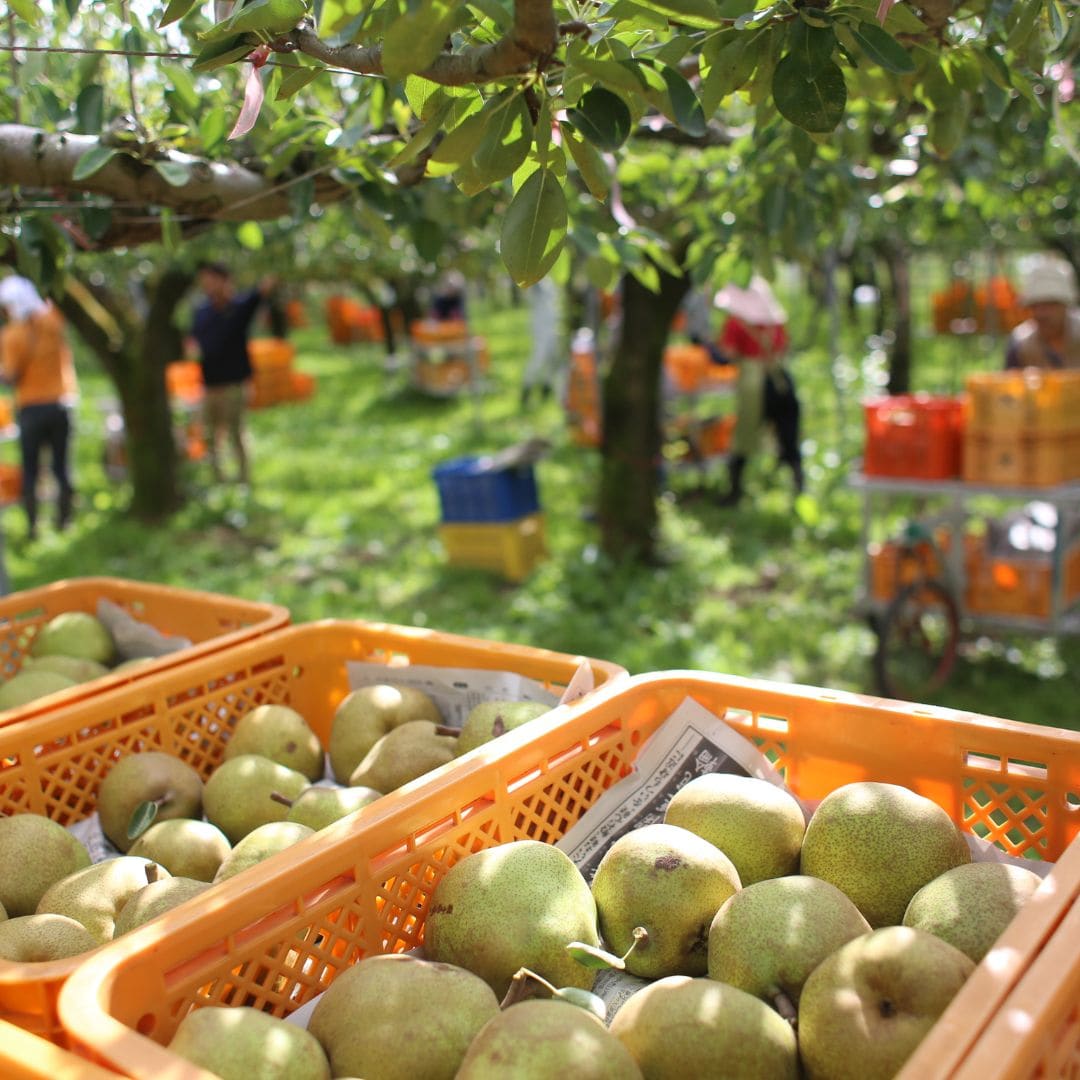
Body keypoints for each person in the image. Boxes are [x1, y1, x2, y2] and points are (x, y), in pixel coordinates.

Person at [712, 276, 803, 506]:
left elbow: (728, 353)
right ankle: (799, 488)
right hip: (782, 380)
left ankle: (735, 492)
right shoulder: (776, 324)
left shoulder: (736, 323)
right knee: (787, 434)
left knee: (743, 437)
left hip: (755, 385)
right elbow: (785, 347)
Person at [0, 276, 78, 541]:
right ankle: (65, 521)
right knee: (62, 465)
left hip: (31, 407)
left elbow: (10, 375)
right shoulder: (53, 320)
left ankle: (33, 527)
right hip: (60, 402)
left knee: (31, 468)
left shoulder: (13, 334)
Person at [190, 262, 276, 486]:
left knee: (235, 434)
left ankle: (244, 480)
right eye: (204, 280)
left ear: (224, 280)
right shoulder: (201, 312)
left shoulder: (238, 307)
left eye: (211, 279)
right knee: (210, 436)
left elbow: (258, 294)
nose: (207, 284)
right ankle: (218, 480)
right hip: (209, 384)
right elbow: (195, 342)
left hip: (234, 384)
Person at [1005, 254, 1080, 370]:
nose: (1041, 314)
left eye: (1049, 305)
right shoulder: (1021, 342)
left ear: (1065, 305)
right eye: (1035, 306)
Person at [521, 277, 562, 408]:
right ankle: (527, 387)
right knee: (538, 359)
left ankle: (546, 388)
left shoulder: (549, 280)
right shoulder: (535, 280)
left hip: (552, 326)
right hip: (541, 327)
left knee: (553, 360)